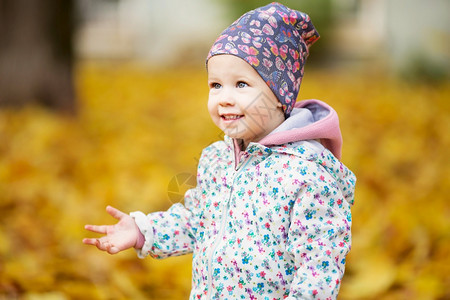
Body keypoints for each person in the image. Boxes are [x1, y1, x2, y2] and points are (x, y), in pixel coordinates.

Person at [83, 2, 356, 299]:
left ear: (280, 95)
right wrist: (142, 231)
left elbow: (318, 268)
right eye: (215, 85)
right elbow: (197, 219)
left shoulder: (308, 175)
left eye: (241, 84)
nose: (224, 98)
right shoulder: (217, 159)